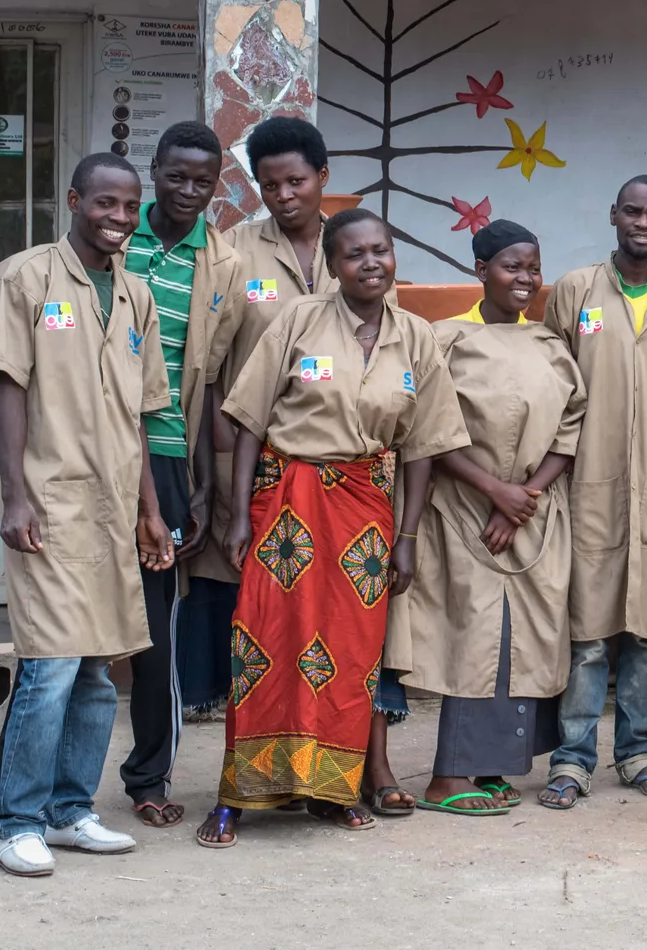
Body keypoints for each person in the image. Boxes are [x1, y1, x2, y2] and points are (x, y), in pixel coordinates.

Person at [195, 208, 469, 847]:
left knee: (349, 654)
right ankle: (238, 794)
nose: (370, 263)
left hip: (365, 515)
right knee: (262, 648)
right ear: (334, 265)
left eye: (381, 250)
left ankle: (331, 788)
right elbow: (248, 421)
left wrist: (407, 536)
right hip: (286, 503)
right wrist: (239, 517)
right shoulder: (299, 320)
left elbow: (425, 447)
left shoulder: (417, 338)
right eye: (354, 254)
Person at [0, 153, 174, 877]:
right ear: (74, 200)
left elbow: (144, 419)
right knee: (51, 666)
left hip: (114, 506)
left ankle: (70, 811)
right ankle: (16, 821)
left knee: (97, 668)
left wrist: (151, 515)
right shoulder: (26, 277)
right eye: (106, 204)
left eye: (130, 207)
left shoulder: (137, 296)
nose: (119, 218)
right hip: (51, 501)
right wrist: (15, 493)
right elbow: (8, 387)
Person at [386, 220, 585, 816]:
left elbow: (571, 428)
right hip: (464, 511)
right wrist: (495, 491)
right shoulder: (444, 340)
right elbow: (427, 429)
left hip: (534, 514)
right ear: (481, 271)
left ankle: (493, 768)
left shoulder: (550, 345)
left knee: (522, 641)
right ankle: (448, 777)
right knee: (474, 640)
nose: (525, 279)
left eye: (533, 267)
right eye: (510, 267)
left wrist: (524, 497)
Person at [537, 174, 647, 809]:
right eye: (632, 210)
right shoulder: (576, 292)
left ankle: (638, 755)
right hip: (589, 486)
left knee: (645, 631)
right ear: (614, 215)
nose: (642, 221)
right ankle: (572, 760)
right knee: (586, 634)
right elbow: (552, 379)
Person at [180, 116, 337, 728]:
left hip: (329, 448)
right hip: (244, 441)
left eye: (296, 181)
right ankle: (208, 688)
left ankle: (320, 697)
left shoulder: (356, 244)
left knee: (324, 572)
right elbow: (209, 356)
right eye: (270, 186)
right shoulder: (233, 251)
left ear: (322, 177)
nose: (284, 196)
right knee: (227, 559)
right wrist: (215, 442)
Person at [116, 122, 246, 830]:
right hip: (87, 447)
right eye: (177, 176)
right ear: (156, 171)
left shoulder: (221, 264)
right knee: (69, 615)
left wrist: (199, 484)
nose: (189, 191)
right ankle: (38, 777)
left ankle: (148, 774)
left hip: (165, 448)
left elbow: (213, 379)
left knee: (155, 624)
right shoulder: (111, 232)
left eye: (204, 181)